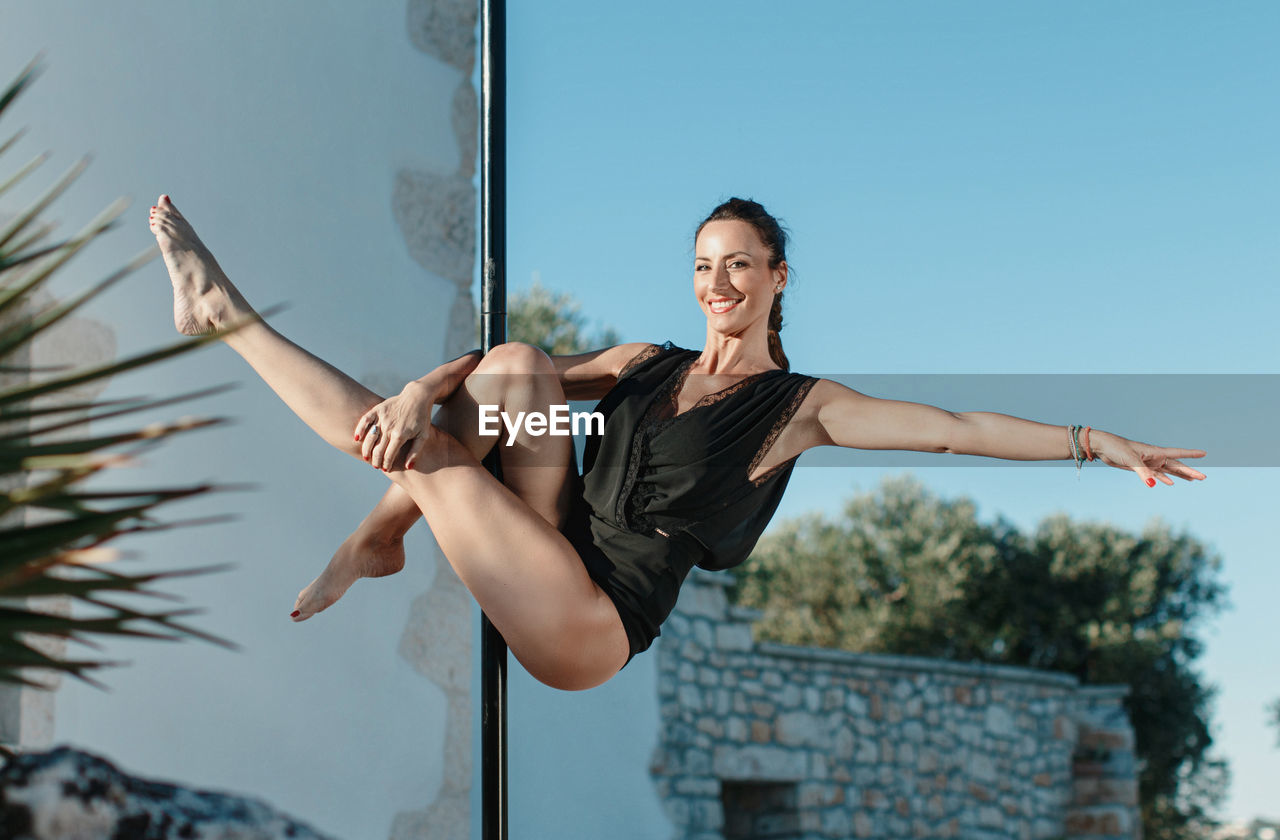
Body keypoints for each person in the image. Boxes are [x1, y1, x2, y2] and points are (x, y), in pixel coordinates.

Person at [147, 195, 1207, 692]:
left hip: (594, 616)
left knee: (420, 452)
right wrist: (424, 384)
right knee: (512, 363)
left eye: (741, 264)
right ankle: (386, 530)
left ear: (777, 277)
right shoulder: (645, 360)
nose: (718, 282)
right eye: (705, 263)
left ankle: (227, 318)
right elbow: (486, 392)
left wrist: (1086, 441)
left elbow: (955, 431)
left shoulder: (797, 404)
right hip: (546, 518)